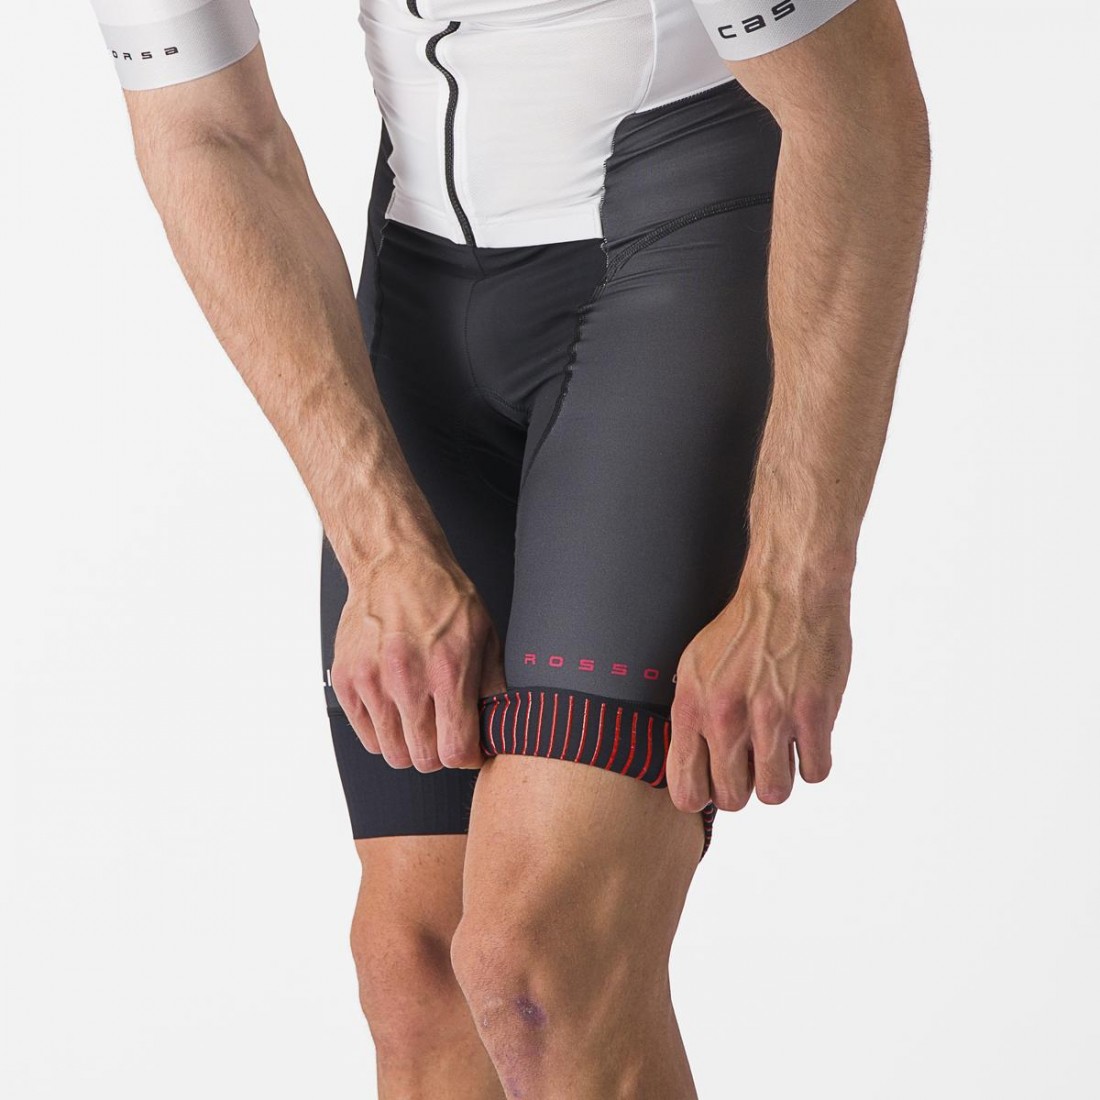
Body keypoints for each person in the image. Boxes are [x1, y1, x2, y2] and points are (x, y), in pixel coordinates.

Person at [87, 0, 929, 1094]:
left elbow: (858, 115)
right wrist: (381, 549)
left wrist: (796, 579)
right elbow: (205, 129)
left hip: (679, 263)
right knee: (418, 969)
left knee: (543, 965)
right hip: (422, 287)